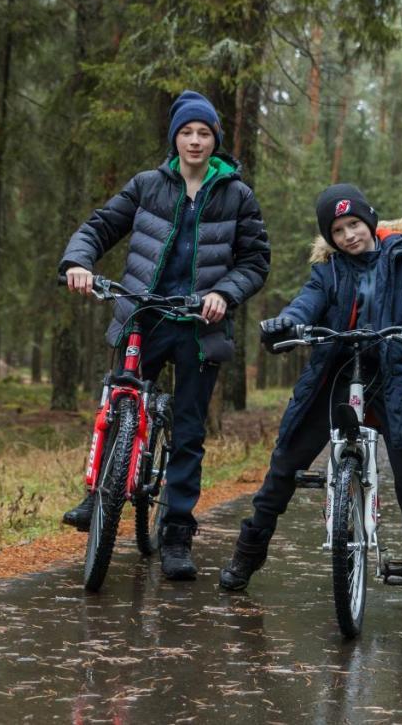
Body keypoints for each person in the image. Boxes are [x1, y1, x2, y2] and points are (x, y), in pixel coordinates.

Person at [219, 184, 402, 615]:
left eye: (355, 224)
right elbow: (306, 303)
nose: (350, 235)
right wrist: (290, 323)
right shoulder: (328, 271)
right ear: (329, 238)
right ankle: (248, 553)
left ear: (370, 220)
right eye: (338, 230)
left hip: (394, 373)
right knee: (286, 461)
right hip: (335, 370)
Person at [58, 90, 270, 581]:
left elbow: (255, 260)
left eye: (204, 133)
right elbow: (98, 227)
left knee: (189, 433)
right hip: (144, 313)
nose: (195, 141)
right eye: (187, 132)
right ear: (175, 136)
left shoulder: (236, 194)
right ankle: (96, 497)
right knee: (116, 405)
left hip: (200, 324)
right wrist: (78, 262)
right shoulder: (147, 185)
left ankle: (176, 537)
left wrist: (225, 294)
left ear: (215, 140)